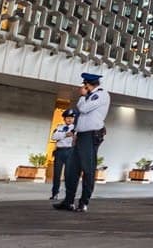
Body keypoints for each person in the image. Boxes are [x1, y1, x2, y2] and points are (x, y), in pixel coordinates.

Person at [54, 72, 109, 213]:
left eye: (84, 85)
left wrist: (83, 96)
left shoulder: (100, 95)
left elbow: (83, 108)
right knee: (72, 170)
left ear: (88, 85)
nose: (82, 88)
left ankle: (83, 203)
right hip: (80, 136)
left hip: (90, 136)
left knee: (88, 169)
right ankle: (69, 201)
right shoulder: (88, 97)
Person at [48, 109, 77, 201]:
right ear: (64, 119)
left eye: (71, 118)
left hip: (70, 152)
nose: (69, 120)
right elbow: (54, 137)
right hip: (60, 151)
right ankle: (55, 193)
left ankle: (68, 195)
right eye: (68, 118)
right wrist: (65, 135)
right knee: (57, 174)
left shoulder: (76, 128)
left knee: (68, 175)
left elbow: (75, 139)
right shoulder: (59, 127)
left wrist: (63, 136)